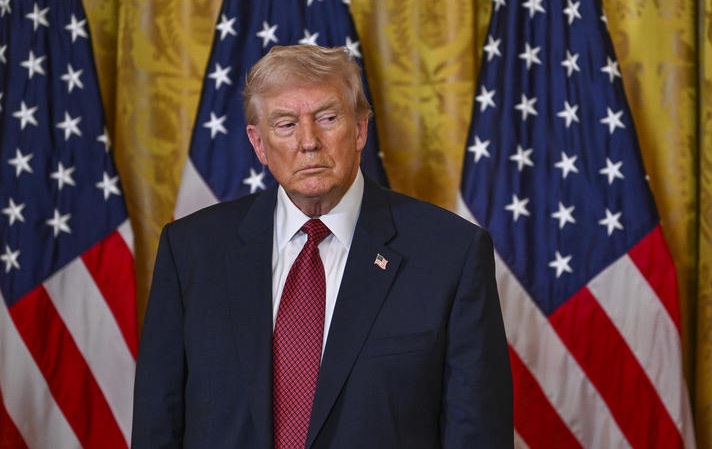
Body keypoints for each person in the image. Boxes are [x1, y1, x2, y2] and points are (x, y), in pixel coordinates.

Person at [131, 44, 513, 449]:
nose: (308, 141)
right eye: (285, 124)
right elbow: (159, 423)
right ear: (258, 144)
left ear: (361, 129)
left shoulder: (450, 254)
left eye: (327, 118)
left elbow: (477, 434)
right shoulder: (191, 251)